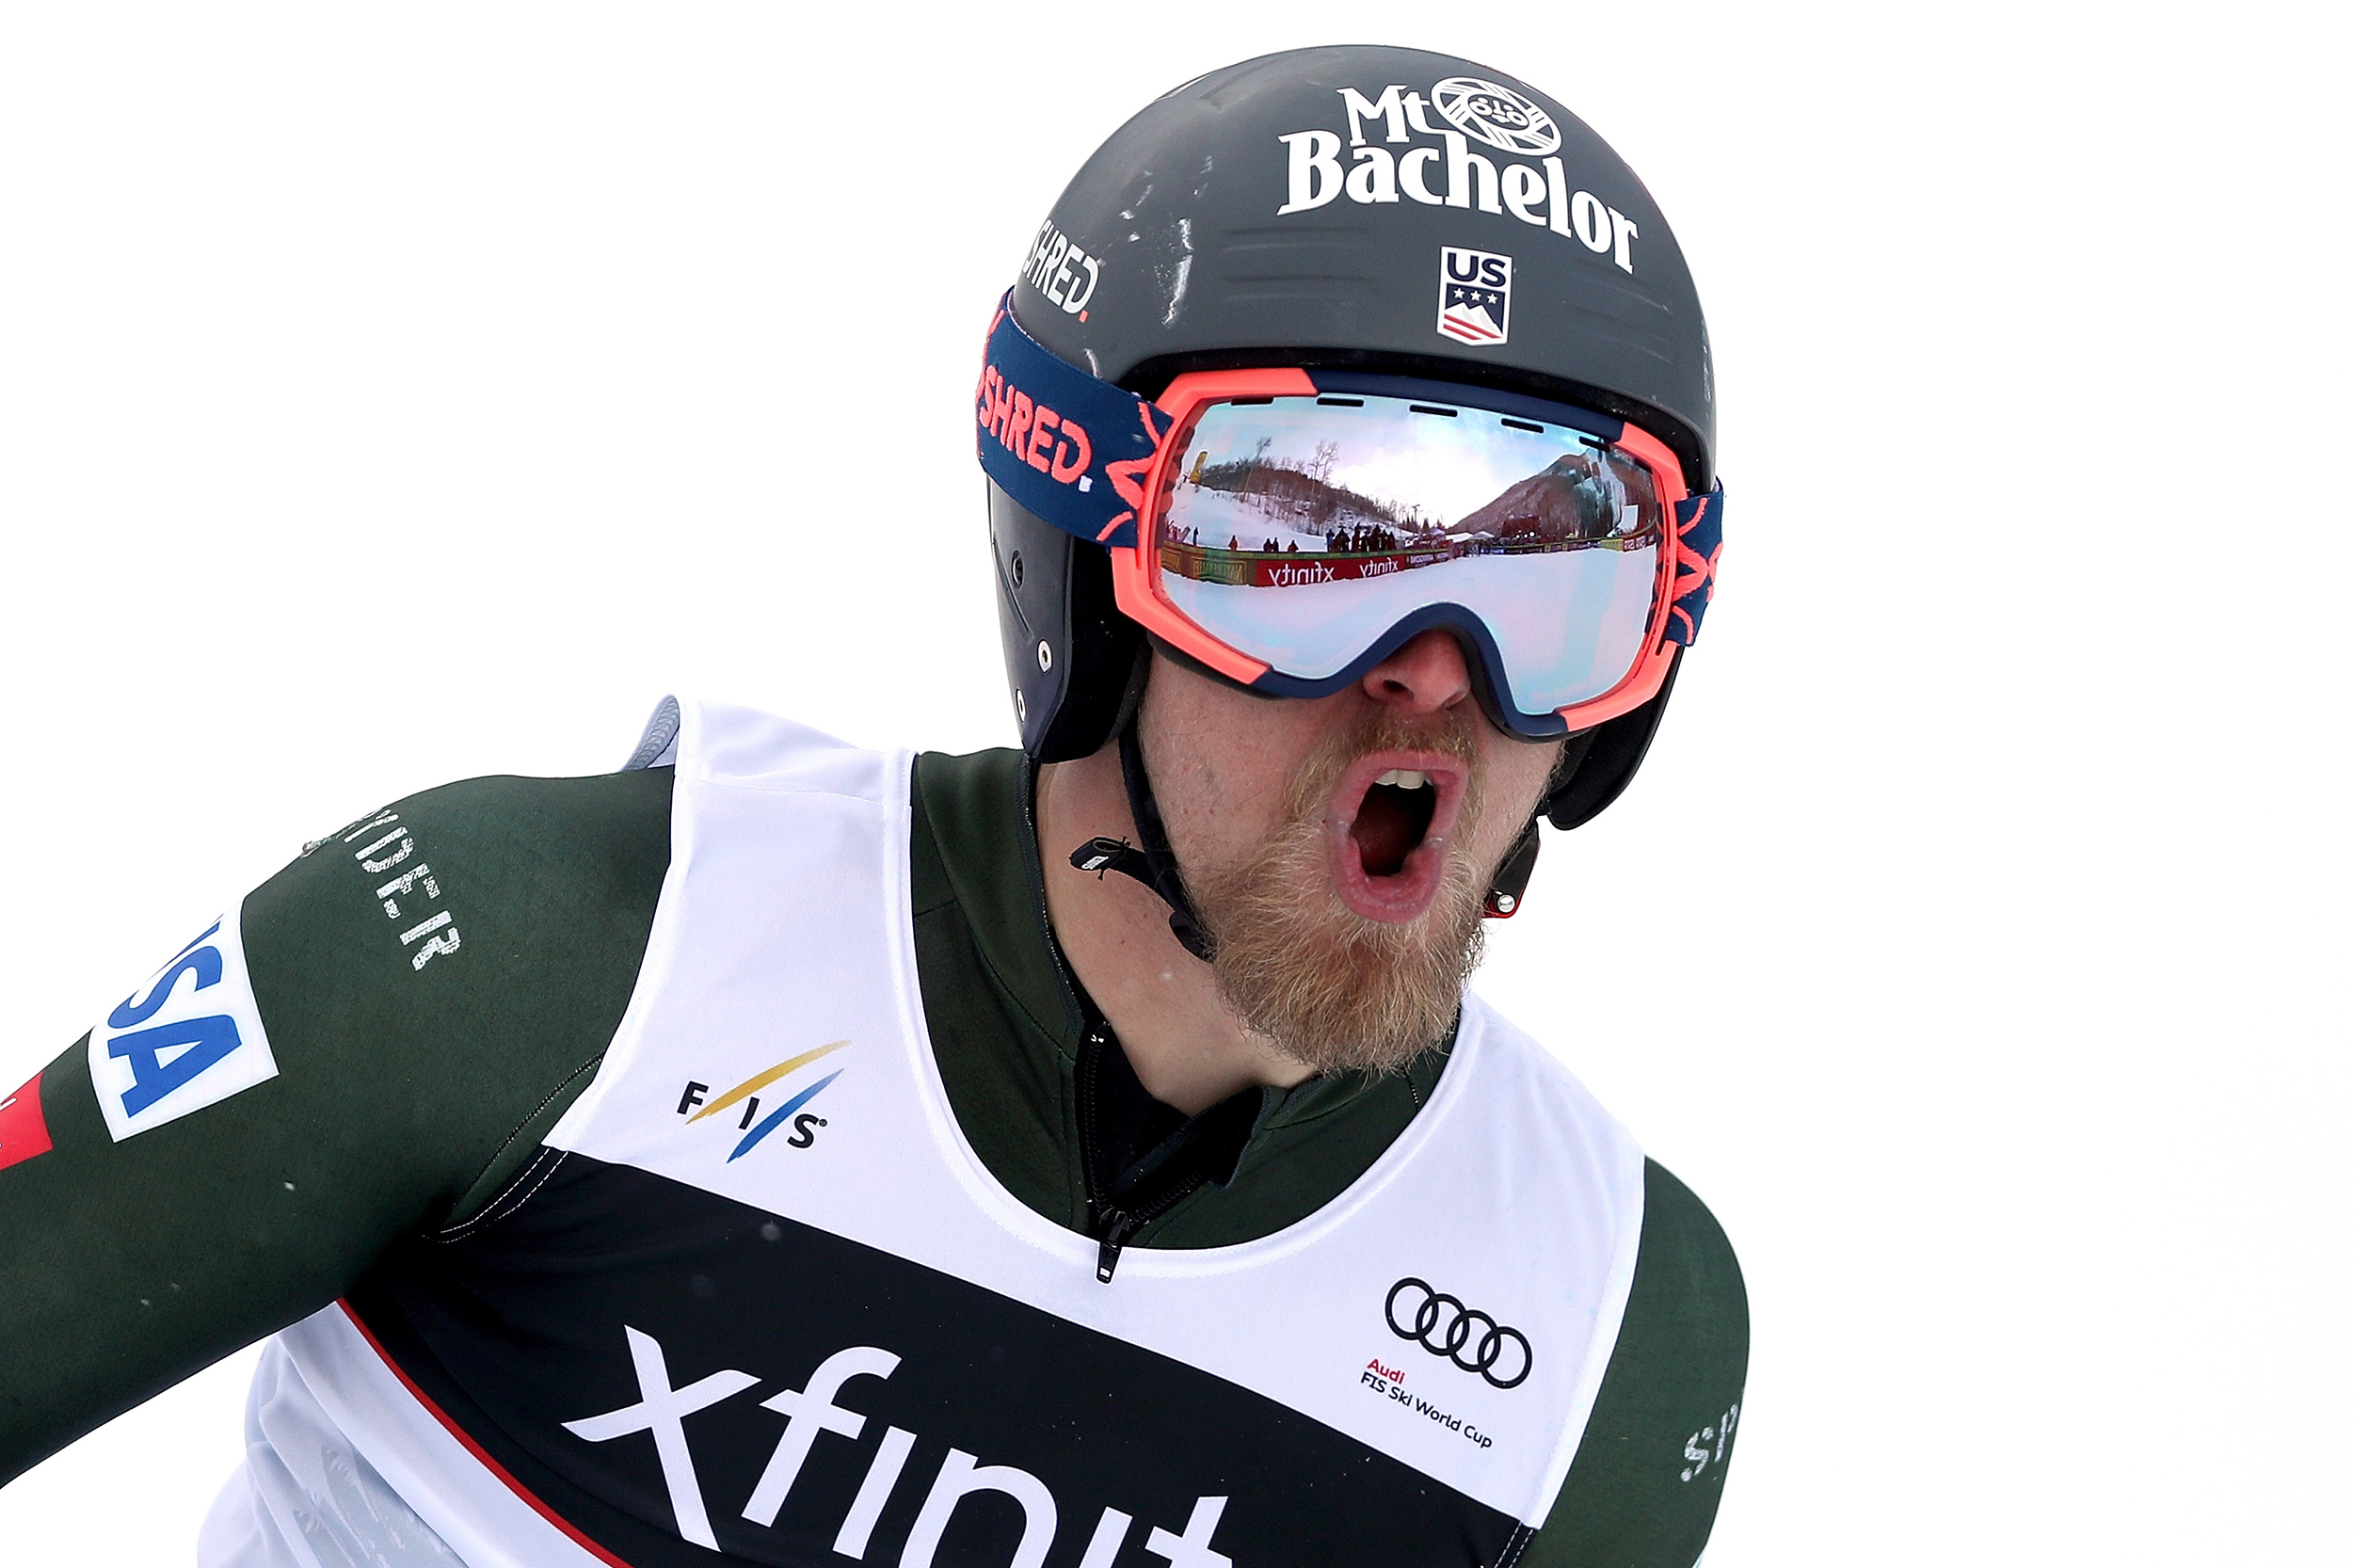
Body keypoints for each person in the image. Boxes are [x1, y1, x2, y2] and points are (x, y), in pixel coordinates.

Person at [0, 44, 1739, 1568]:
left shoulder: (1598, 1334)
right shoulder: (537, 962)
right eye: (1302, 544)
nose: (1431, 674)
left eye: (1552, 571)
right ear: (1087, 570)